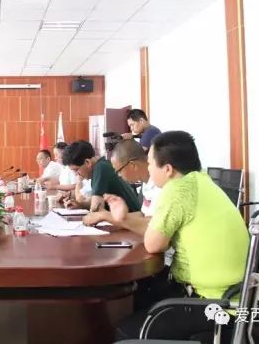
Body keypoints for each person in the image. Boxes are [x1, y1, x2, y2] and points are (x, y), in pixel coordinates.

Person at [105, 131, 249, 340]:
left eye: (151, 163)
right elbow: (156, 231)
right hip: (235, 297)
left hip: (215, 304)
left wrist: (122, 219)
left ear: (168, 169)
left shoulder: (178, 191)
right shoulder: (202, 181)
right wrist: (124, 219)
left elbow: (153, 244)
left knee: (126, 329)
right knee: (143, 295)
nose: (149, 168)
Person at [62, 140, 141, 219]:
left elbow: (95, 211)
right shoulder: (101, 166)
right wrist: (80, 205)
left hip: (131, 221)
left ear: (87, 162)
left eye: (76, 170)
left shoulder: (100, 168)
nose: (76, 174)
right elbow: (97, 202)